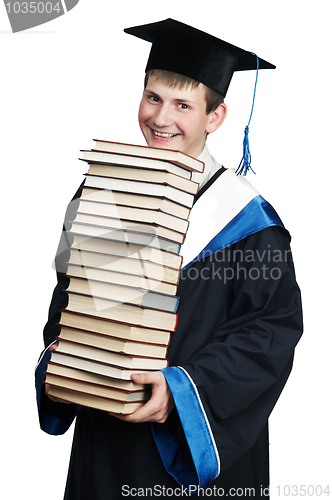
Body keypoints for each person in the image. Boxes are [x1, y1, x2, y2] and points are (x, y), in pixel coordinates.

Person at [35, 18, 303, 499]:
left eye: (183, 105)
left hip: (188, 452)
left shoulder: (248, 222)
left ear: (214, 117)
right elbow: (68, 297)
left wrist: (182, 391)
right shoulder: (98, 192)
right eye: (154, 97)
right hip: (105, 434)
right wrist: (63, 357)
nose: (162, 118)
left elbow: (270, 331)